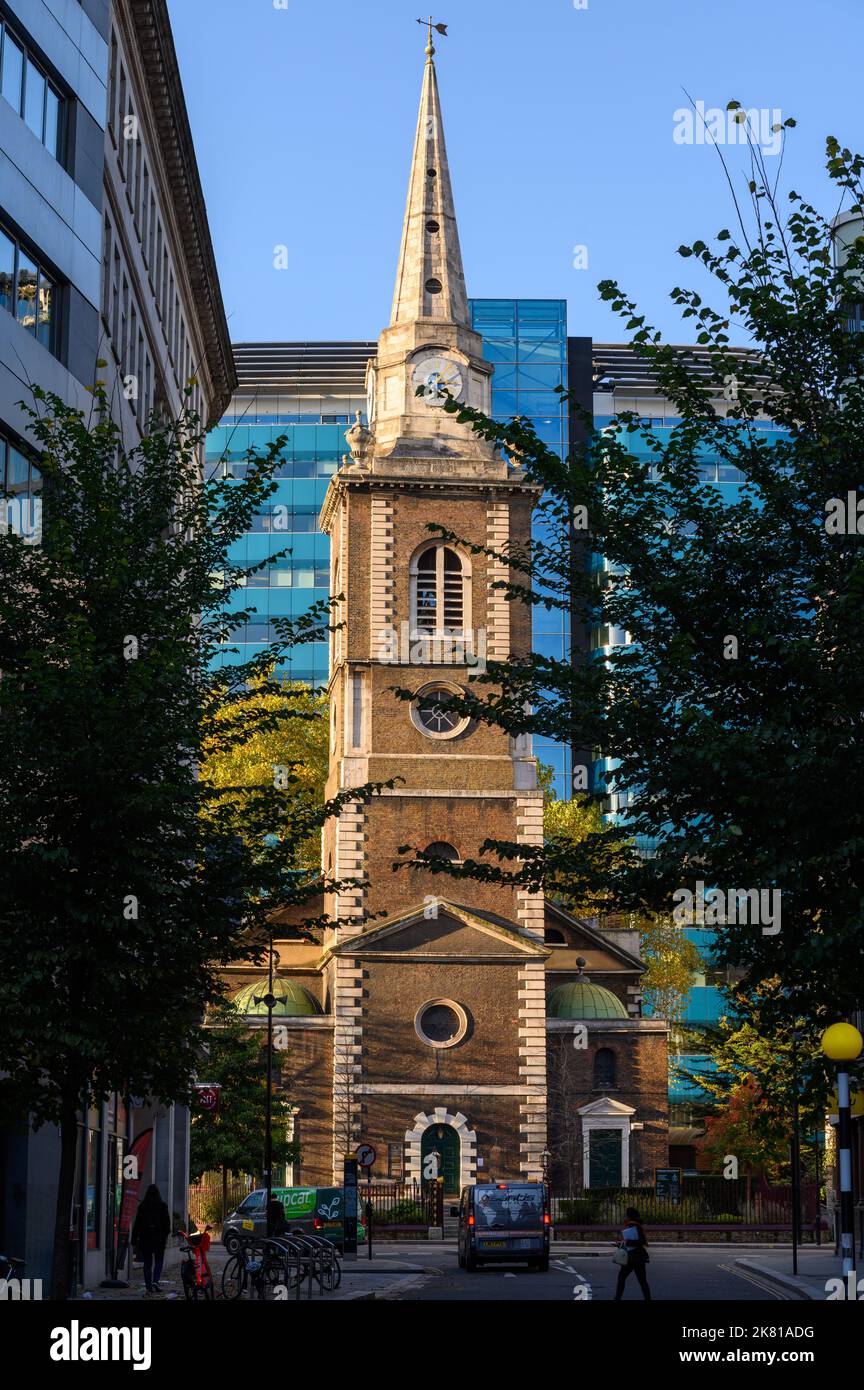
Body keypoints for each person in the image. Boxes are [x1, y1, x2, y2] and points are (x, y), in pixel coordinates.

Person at [131, 1185, 172, 1295]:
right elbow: (167, 1224)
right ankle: (155, 1281)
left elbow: (137, 1224)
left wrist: (134, 1239)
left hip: (146, 1239)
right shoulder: (162, 1206)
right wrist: (165, 1235)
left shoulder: (143, 1206)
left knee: (147, 1263)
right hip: (159, 1239)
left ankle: (148, 1286)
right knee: (159, 1261)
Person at [614, 1206, 651, 1300]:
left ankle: (617, 1298)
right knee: (642, 1281)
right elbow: (629, 1242)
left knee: (622, 1278)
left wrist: (626, 1242)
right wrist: (621, 1244)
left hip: (633, 1258)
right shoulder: (635, 1226)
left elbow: (641, 1241)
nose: (624, 1217)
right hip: (637, 1258)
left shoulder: (635, 1226)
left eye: (626, 1215)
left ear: (629, 1216)